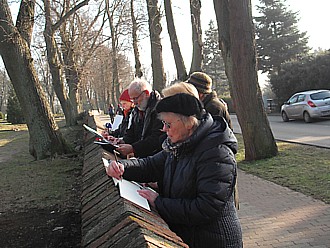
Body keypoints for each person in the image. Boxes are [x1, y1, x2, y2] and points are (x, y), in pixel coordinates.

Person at [106, 93, 243, 247]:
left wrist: (158, 202)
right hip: (191, 235)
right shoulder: (179, 144)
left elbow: (205, 208)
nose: (164, 129)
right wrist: (123, 167)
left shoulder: (217, 154)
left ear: (189, 123)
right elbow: (151, 165)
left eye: (168, 124)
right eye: (163, 123)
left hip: (214, 241)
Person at [108, 78, 164, 158]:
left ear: (146, 93)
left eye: (135, 98)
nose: (134, 102)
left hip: (155, 159)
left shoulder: (160, 109)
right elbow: (132, 133)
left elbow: (156, 138)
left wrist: (133, 148)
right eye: (132, 99)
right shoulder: (137, 110)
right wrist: (121, 141)